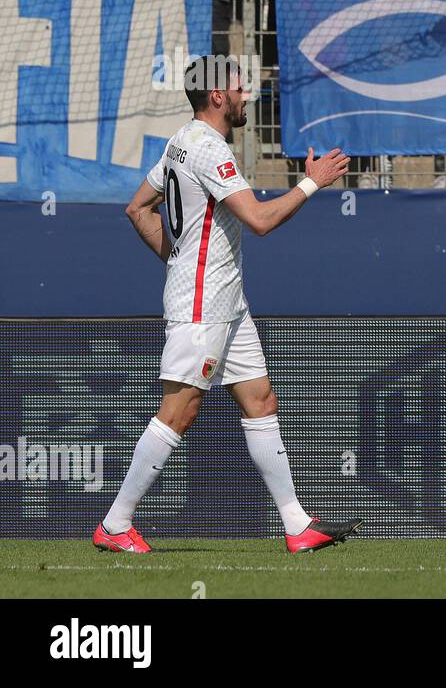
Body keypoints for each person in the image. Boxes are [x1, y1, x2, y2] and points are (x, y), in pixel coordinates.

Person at [96, 56, 362, 554]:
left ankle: (296, 524)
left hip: (225, 300)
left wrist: (178, 258)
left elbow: (137, 208)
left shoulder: (180, 141)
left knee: (260, 399)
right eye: (240, 89)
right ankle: (115, 523)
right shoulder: (209, 151)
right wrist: (311, 182)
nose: (246, 97)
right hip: (204, 304)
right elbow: (259, 221)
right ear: (217, 95)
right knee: (179, 410)